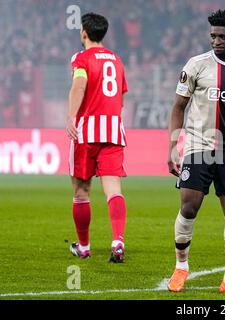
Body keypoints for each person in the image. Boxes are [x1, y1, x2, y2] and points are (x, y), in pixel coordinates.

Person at [166, 9, 225, 295]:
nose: (216, 41)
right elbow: (178, 107)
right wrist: (173, 145)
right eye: (213, 36)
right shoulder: (196, 65)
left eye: (223, 36)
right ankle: (181, 268)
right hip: (198, 144)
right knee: (189, 205)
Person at [66, 13, 128, 263]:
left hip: (87, 132)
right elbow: (121, 97)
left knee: (81, 192)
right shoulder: (116, 59)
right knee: (113, 190)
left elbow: (79, 85)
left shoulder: (81, 58)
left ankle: (84, 247)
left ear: (84, 33)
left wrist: (71, 117)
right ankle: (118, 241)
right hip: (113, 130)